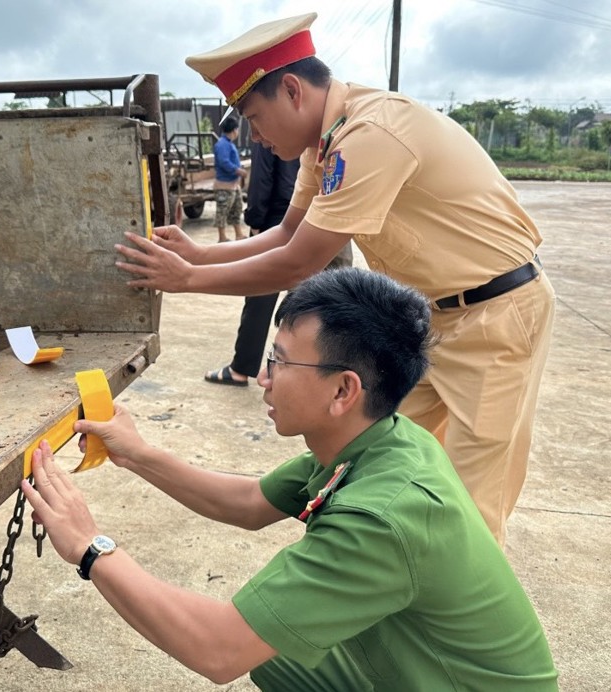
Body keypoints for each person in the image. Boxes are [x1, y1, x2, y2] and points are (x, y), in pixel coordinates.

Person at [113, 13, 556, 546]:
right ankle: (398, 580)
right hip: (433, 321)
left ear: (293, 91)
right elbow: (286, 234)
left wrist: (186, 280)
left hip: (495, 318)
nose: (255, 135)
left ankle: (458, 618)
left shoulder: (372, 132)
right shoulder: (322, 146)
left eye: (255, 117)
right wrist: (200, 257)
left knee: (468, 504)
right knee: (387, 457)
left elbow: (300, 262)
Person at [22, 267, 558, 690]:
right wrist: (136, 454)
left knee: (252, 641)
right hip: (425, 669)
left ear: (343, 390)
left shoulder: (382, 515)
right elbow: (251, 502)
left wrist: (90, 547)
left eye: (278, 363)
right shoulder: (380, 439)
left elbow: (218, 650)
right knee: (283, 661)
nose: (262, 378)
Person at [204, 141, 352, 387]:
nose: (256, 133)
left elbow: (262, 179)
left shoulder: (270, 131)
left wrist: (255, 219)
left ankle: (243, 367)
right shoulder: (326, 136)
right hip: (323, 218)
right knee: (321, 302)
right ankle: (320, 373)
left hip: (282, 215)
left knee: (261, 294)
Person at [213, 116, 248, 242]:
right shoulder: (222, 144)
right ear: (234, 130)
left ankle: (238, 234)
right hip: (224, 185)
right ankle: (222, 237)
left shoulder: (228, 144)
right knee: (222, 211)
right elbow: (224, 162)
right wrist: (238, 170)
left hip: (233, 184)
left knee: (236, 209)